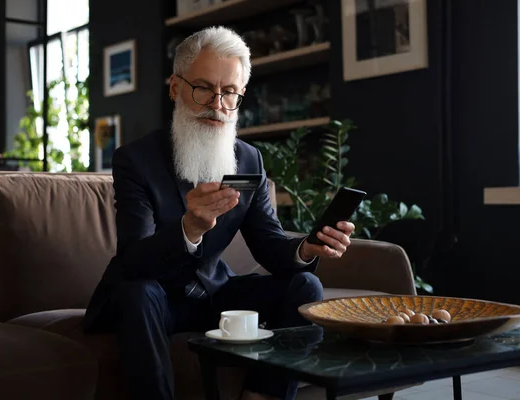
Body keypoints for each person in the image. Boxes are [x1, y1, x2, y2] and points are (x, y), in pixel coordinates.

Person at [83, 26, 356, 400]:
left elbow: (270, 245)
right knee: (137, 292)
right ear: (175, 87)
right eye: (203, 88)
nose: (217, 104)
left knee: (305, 286)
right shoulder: (136, 160)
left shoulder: (248, 159)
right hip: (154, 298)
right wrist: (189, 229)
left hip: (213, 294)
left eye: (229, 92)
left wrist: (308, 248)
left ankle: (261, 396)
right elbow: (133, 260)